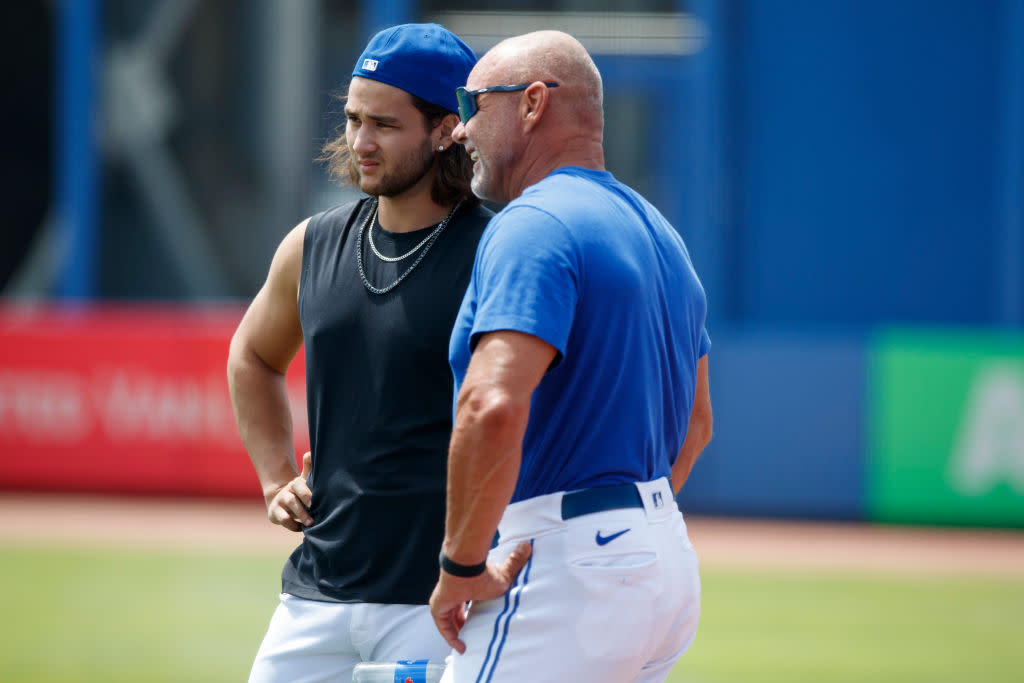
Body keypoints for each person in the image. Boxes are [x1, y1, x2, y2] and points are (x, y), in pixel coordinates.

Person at [428, 30, 714, 683]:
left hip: (563, 559)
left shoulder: (534, 222)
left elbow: (491, 402)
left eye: (475, 106)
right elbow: (697, 425)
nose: (462, 131)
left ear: (531, 104)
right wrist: (632, 536)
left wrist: (461, 564)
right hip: (661, 555)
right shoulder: (661, 234)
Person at [227, 23, 492, 683]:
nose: (360, 142)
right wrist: (273, 476)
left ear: (445, 128)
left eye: (383, 124)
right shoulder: (310, 245)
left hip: (438, 604)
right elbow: (252, 358)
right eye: (351, 119)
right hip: (315, 595)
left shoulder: (500, 251)